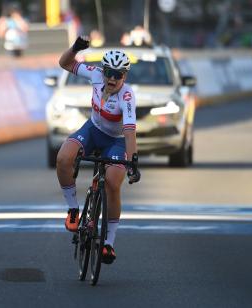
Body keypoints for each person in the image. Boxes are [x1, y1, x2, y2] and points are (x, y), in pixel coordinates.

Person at [56, 36, 141, 265]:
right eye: (109, 73)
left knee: (113, 183)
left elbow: (130, 130)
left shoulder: (127, 95)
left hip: (116, 141)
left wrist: (132, 162)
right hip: (92, 130)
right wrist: (74, 49)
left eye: (118, 75)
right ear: (103, 71)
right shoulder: (94, 74)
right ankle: (73, 210)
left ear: (125, 76)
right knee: (64, 157)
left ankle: (108, 243)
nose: (112, 79)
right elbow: (64, 64)